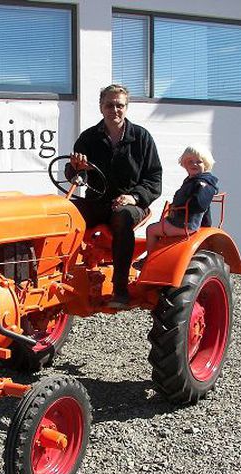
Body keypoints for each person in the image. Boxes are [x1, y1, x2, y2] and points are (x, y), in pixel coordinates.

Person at [67, 84, 162, 308]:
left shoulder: (140, 137)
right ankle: (61, 280)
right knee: (65, 213)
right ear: (101, 107)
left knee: (122, 217)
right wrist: (76, 167)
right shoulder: (89, 138)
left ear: (126, 108)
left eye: (120, 105)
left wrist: (134, 197)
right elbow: (72, 174)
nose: (115, 110)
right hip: (97, 201)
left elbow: (154, 179)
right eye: (110, 105)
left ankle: (120, 290)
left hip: (131, 204)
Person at [136, 145, 219, 266]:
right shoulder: (192, 180)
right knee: (160, 225)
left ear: (206, 164)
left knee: (151, 230)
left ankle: (150, 261)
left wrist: (183, 206)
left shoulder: (203, 183)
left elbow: (200, 204)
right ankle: (158, 256)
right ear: (184, 164)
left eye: (199, 162)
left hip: (185, 224)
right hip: (182, 220)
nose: (194, 164)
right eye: (190, 161)